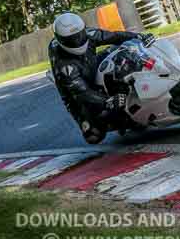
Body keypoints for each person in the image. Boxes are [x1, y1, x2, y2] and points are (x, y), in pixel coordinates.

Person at [48, 12, 151, 144]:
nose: (77, 41)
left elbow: (114, 36)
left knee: (120, 51)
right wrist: (107, 101)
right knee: (93, 135)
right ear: (60, 40)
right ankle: (121, 120)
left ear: (83, 29)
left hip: (90, 62)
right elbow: (83, 93)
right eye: (71, 40)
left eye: (79, 35)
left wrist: (138, 36)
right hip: (76, 89)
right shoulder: (64, 67)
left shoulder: (89, 34)